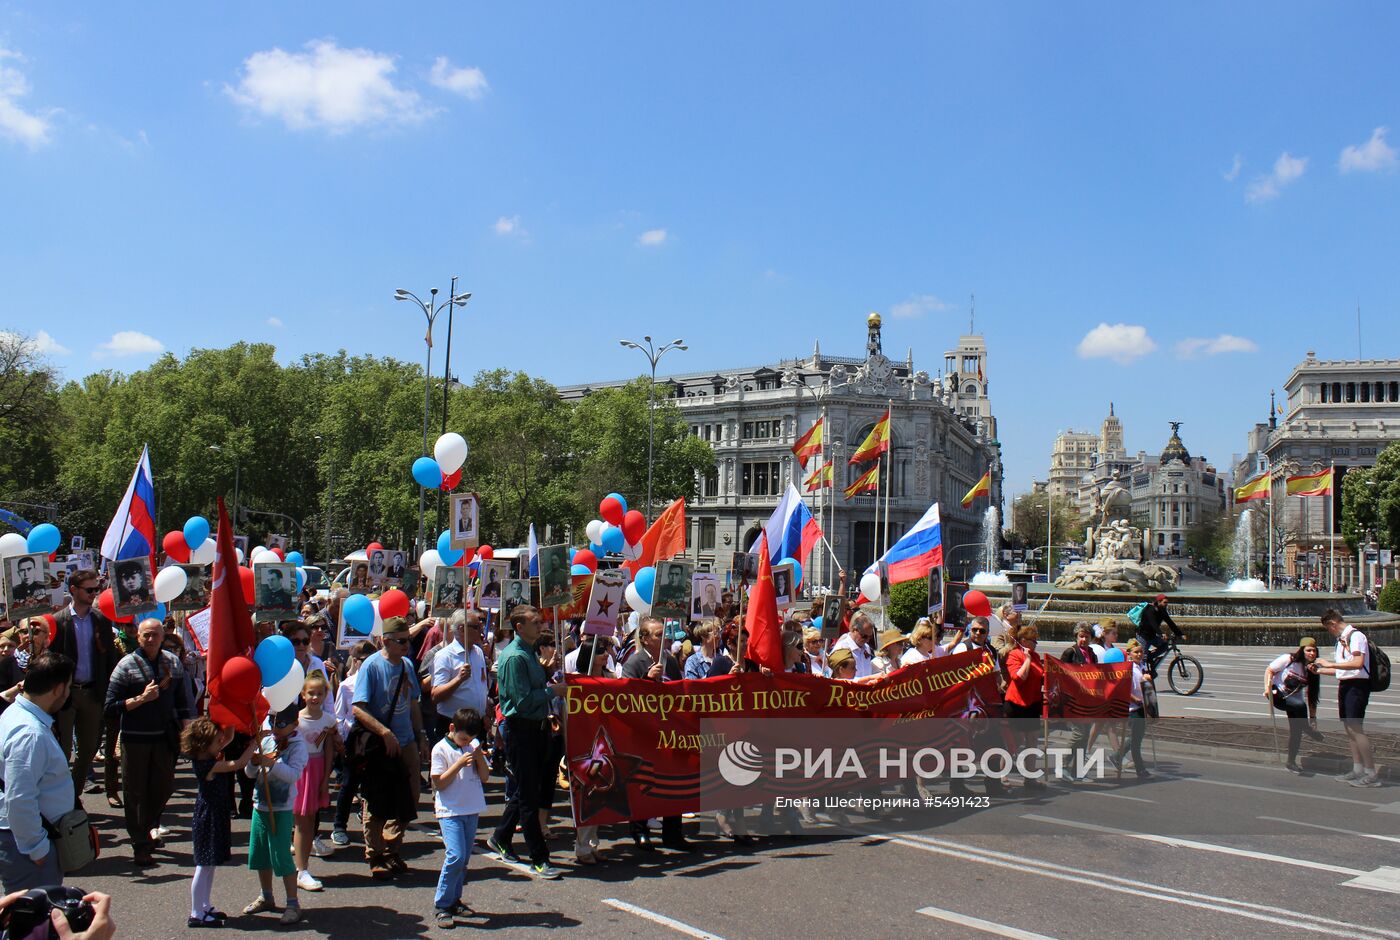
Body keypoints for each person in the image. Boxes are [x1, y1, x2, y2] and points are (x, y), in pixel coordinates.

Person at [103, 616, 194, 867]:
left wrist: (189, 733)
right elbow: (110, 706)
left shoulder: (172, 663)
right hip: (135, 738)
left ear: (163, 636)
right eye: (146, 635)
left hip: (164, 737)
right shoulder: (126, 665)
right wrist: (139, 700)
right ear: (138, 638)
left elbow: (184, 702)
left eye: (156, 634)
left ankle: (148, 825)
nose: (151, 639)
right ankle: (140, 843)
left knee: (164, 787)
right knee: (134, 792)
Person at [486, 605, 567, 878]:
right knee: (529, 797)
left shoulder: (530, 653)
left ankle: (501, 837)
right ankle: (539, 857)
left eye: (540, 620)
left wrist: (544, 675)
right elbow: (520, 702)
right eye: (534, 622)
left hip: (538, 727)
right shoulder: (514, 657)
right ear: (519, 627)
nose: (540, 624)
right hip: (521, 730)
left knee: (526, 787)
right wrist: (551, 691)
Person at [351, 617, 428, 879]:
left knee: (410, 797)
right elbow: (358, 707)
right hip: (381, 743)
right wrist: (384, 732)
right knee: (377, 800)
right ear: (385, 640)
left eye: (408, 640)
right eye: (401, 641)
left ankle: (392, 847)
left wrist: (421, 736)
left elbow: (414, 702)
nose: (407, 645)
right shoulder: (372, 667)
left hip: (406, 740)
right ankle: (375, 853)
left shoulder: (406, 665)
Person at [0, 651, 76, 892]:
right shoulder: (29, 734)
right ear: (59, 689)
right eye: (69, 687)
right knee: (33, 924)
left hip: (22, 838)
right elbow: (19, 798)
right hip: (24, 844)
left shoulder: (16, 714)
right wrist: (37, 849)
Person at [621, 616, 688, 850]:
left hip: (668, 730)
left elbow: (679, 691)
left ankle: (673, 833)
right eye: (659, 634)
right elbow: (625, 697)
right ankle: (640, 830)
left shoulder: (669, 661)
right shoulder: (634, 662)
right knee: (644, 783)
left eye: (664, 634)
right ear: (646, 639)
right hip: (644, 732)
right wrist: (647, 680)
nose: (664, 638)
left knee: (673, 781)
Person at [181, 716, 255, 928]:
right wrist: (253, 744)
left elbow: (228, 738)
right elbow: (240, 763)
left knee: (210, 864)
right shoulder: (208, 766)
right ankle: (196, 912)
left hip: (215, 815)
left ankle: (205, 905)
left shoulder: (206, 757)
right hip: (209, 817)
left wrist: (231, 719)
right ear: (204, 745)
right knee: (203, 865)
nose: (220, 743)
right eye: (216, 742)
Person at [242, 704, 309, 925]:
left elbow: (293, 775)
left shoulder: (298, 746)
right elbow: (250, 773)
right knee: (260, 855)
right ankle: (266, 895)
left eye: (281, 724)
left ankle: (293, 902)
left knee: (280, 856)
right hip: (260, 804)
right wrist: (253, 762)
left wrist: (272, 763)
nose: (275, 728)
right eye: (272, 722)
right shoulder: (268, 739)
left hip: (281, 808)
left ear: (294, 724)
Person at [431, 707, 490, 929]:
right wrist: (457, 764)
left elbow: (484, 777)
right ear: (452, 728)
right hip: (450, 810)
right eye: (464, 738)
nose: (467, 742)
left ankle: (455, 899)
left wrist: (478, 757)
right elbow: (439, 783)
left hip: (470, 808)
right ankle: (442, 904)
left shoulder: (472, 747)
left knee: (464, 859)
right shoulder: (440, 749)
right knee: (455, 856)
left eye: (471, 739)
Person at [1311, 609, 1379, 787]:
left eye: (1328, 628)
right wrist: (1319, 670)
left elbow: (1357, 663)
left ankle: (1371, 773)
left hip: (1357, 686)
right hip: (1347, 684)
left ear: (1332, 624)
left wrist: (1330, 663)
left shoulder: (1356, 637)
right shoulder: (1341, 640)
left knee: (1356, 728)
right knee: (1349, 728)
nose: (1329, 632)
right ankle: (1358, 768)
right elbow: (1342, 669)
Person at [293, 673, 338, 892]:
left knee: (310, 819)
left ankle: (302, 867)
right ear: (303, 694)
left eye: (320, 693)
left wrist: (325, 777)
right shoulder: (296, 719)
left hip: (317, 768)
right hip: (300, 769)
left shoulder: (328, 720)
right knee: (300, 820)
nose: (315, 697)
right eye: (311, 693)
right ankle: (300, 869)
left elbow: (328, 749)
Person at [330, 641, 375, 848]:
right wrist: (340, 743)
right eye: (363, 660)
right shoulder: (347, 685)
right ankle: (339, 826)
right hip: (353, 741)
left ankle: (372, 828)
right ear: (356, 662)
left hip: (373, 740)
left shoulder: (378, 682)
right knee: (348, 785)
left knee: (372, 785)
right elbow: (339, 715)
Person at [1264, 637, 1323, 774]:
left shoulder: (1312, 670)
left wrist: (1312, 718)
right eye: (1308, 650)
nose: (1311, 653)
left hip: (1294, 700)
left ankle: (1291, 762)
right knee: (1300, 706)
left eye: (1314, 651)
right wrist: (1267, 689)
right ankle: (1307, 730)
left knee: (1296, 731)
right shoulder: (1288, 659)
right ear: (1302, 650)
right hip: (1278, 695)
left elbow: (1312, 697)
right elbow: (1269, 670)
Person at [431, 611, 489, 740]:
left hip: (476, 724)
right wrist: (459, 679)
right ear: (462, 629)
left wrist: (485, 713)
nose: (481, 630)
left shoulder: (478, 652)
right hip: (454, 725)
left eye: (481, 626)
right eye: (476, 627)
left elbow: (481, 685)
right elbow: (435, 696)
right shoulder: (445, 656)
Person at [1003, 624, 1046, 791]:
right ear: (1023, 641)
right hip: (1016, 703)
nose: (1035, 644)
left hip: (1032, 703)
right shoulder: (1014, 655)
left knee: (1032, 740)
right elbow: (1019, 677)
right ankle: (1002, 775)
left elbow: (1041, 676)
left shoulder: (1035, 656)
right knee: (1014, 742)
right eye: (1032, 641)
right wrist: (1027, 659)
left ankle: (1030, 777)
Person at [1111, 640, 1151, 778]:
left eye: (1141, 652)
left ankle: (1116, 756)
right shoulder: (1128, 669)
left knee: (1136, 737)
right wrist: (1135, 700)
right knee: (1136, 741)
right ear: (1129, 654)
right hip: (1133, 708)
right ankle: (1140, 770)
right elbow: (1123, 690)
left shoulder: (1142, 666)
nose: (1139, 654)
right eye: (1136, 652)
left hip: (1143, 707)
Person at [1137, 594, 1186, 667]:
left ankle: (1150, 657)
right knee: (1142, 659)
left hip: (1152, 636)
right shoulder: (1150, 610)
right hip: (1143, 636)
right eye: (1165, 602)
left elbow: (1170, 623)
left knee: (1164, 645)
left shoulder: (1162, 611)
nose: (1166, 604)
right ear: (1159, 602)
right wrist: (1161, 634)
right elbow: (1153, 624)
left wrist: (1180, 634)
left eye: (1167, 603)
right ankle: (1141, 671)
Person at [833, 612, 875, 678]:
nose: (867, 640)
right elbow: (834, 675)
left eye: (870, 637)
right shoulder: (842, 647)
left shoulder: (866, 648)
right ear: (855, 630)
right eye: (864, 636)